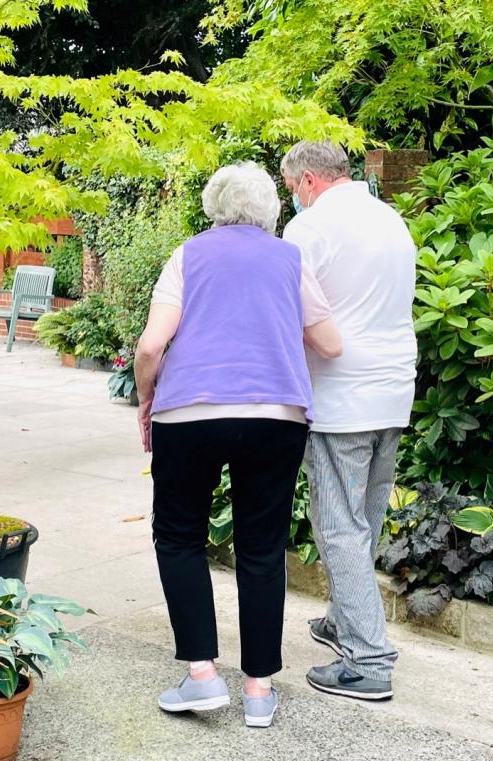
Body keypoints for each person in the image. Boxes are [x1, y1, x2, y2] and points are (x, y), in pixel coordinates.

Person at [134, 162, 341, 728]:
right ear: (272, 208)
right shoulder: (288, 259)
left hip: (190, 412)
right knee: (262, 546)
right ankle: (257, 690)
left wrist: (146, 399)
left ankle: (201, 676)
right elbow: (329, 342)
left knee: (178, 537)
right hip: (276, 416)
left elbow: (152, 346)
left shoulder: (188, 254)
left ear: (213, 206)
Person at [280, 141, 417, 700]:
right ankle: (344, 621)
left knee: (339, 525)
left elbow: (294, 316)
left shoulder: (308, 231)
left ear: (308, 180)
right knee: (367, 516)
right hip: (393, 388)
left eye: (291, 189)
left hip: (341, 396)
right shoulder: (391, 220)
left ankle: (369, 661)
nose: (293, 199)